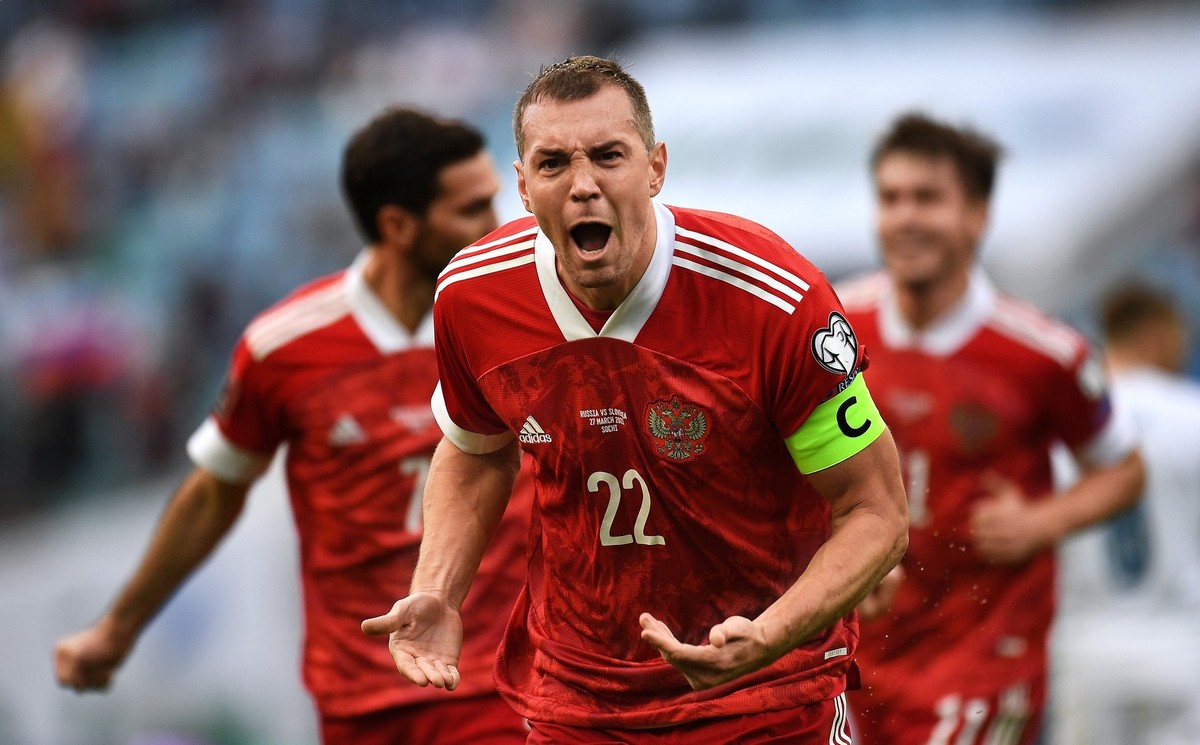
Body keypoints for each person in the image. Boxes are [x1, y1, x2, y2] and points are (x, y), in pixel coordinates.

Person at [361, 55, 909, 743]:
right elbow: (475, 450)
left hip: (764, 699)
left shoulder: (773, 299)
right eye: (553, 163)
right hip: (579, 703)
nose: (583, 185)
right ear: (523, 186)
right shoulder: (473, 296)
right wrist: (439, 590)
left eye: (608, 156)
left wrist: (770, 634)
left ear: (655, 168)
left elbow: (876, 511)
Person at [53, 106, 534, 745]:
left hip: (501, 691)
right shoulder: (285, 348)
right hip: (358, 703)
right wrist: (117, 629)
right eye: (471, 209)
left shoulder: (531, 324)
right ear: (398, 225)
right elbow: (214, 493)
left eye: (493, 200)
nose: (496, 224)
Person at [838, 112, 1146, 745]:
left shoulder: (1042, 354)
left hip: (983, 660)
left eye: (927, 198)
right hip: (859, 658)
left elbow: (1123, 469)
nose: (905, 218)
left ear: (977, 216)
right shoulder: (834, 329)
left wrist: (1040, 523)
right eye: (891, 198)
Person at [1052, 283, 1200, 745]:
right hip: (1182, 645)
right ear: (1156, 335)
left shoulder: (1064, 427)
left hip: (1086, 649)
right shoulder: (1192, 414)